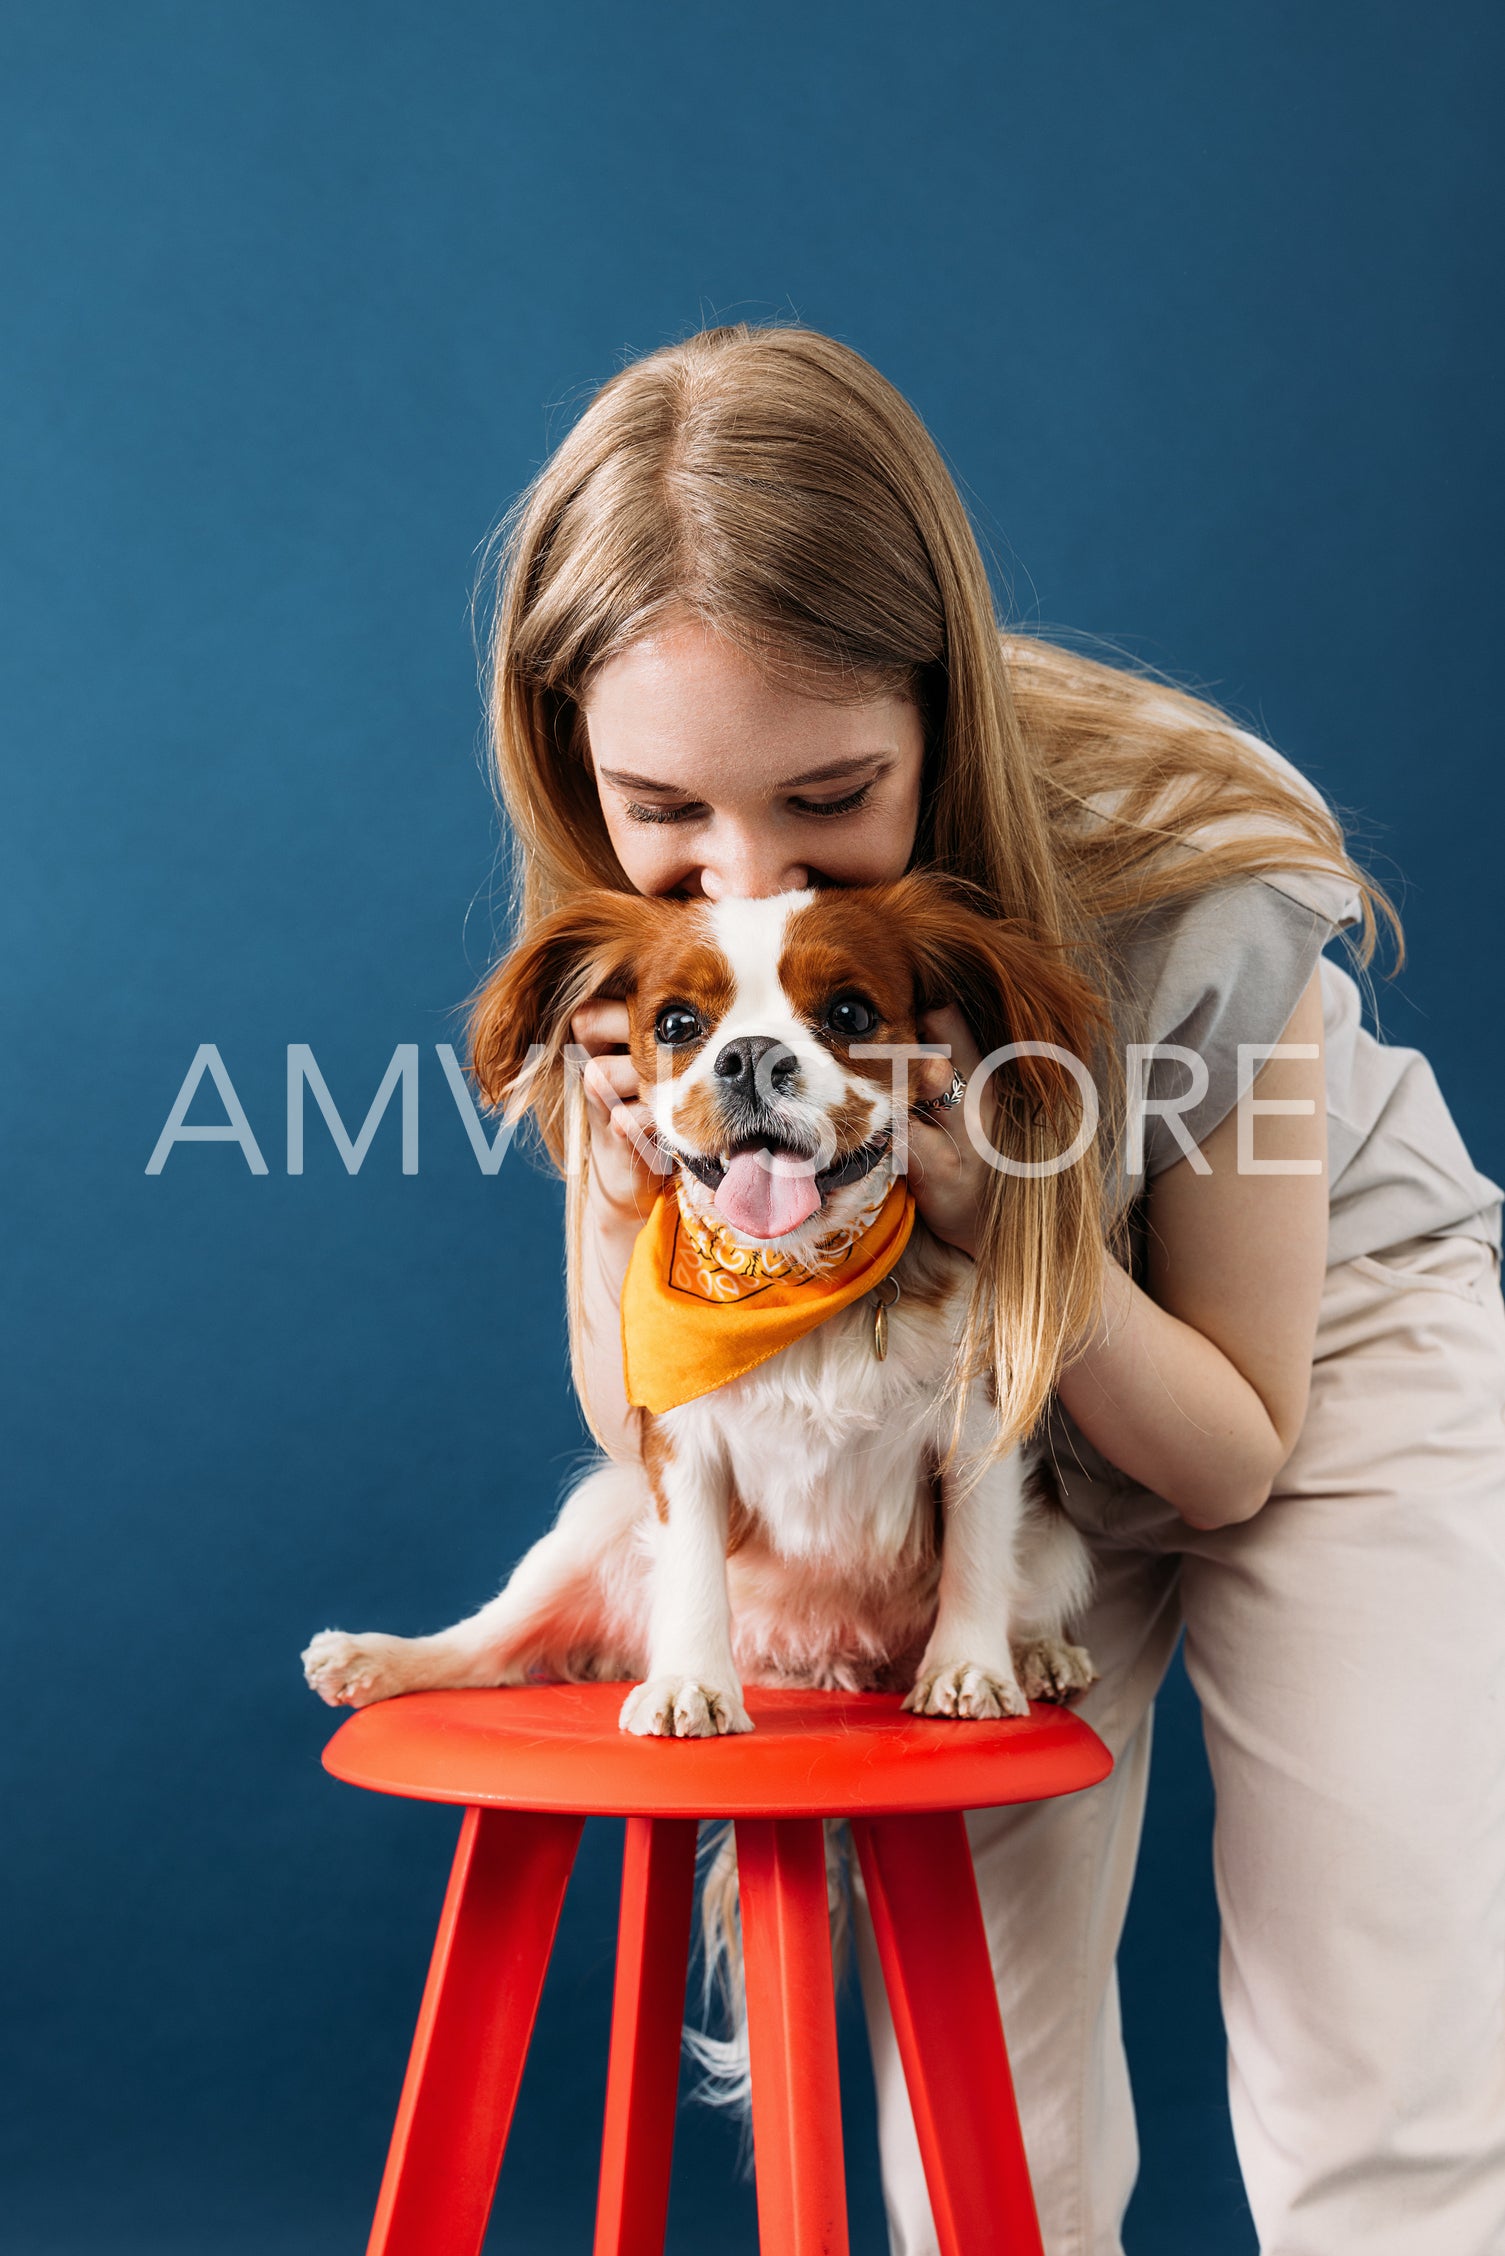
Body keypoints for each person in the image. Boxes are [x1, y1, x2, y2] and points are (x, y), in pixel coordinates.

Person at [474, 323, 1505, 2256]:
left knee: (1377, 2050)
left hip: (1312, 1355)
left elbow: (1225, 1459)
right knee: (981, 2103)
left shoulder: (1196, 869)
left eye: (826, 793)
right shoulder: (658, 953)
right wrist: (640, 1183)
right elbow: (648, 1422)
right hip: (938, 1416)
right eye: (667, 816)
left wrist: (982, 1201)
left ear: (944, 707)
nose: (738, 870)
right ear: (583, 765)